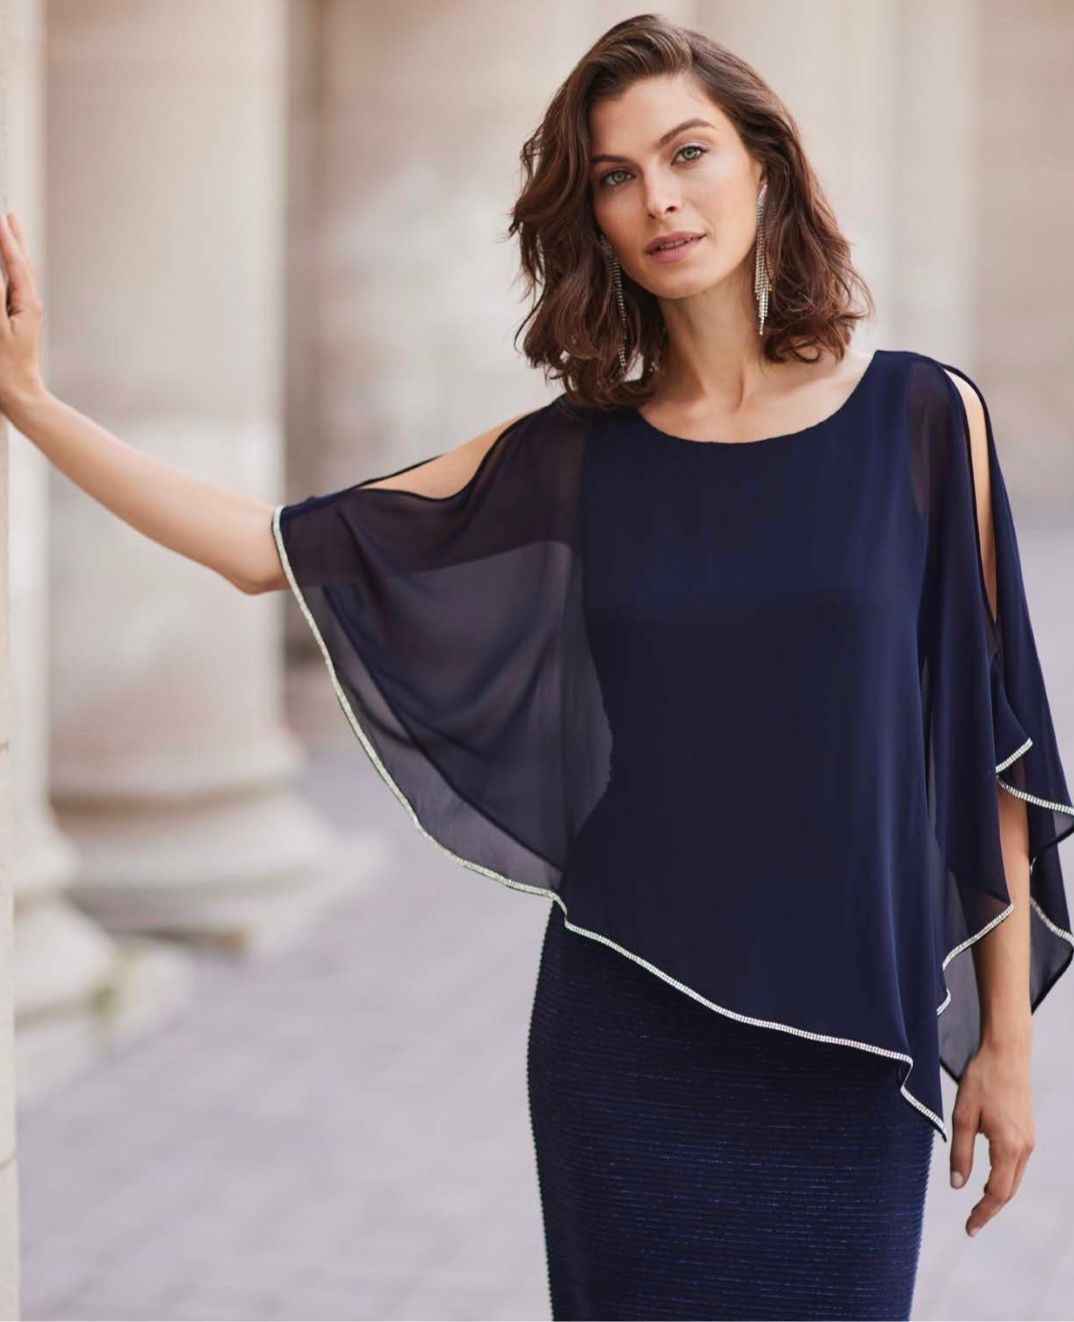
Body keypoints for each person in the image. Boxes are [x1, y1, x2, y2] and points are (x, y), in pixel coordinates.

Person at [1, 13, 1071, 1321]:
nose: (658, 198)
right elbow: (255, 549)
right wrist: (35, 403)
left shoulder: (920, 418)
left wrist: (1005, 1049)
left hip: (848, 1036)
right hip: (627, 1031)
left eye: (686, 152)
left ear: (765, 167)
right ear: (595, 220)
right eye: (616, 176)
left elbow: (988, 761)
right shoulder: (574, 454)